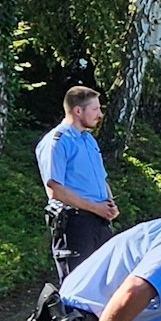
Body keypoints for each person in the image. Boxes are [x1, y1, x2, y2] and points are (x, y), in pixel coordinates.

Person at [36, 86, 120, 279]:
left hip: (99, 221)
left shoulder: (89, 140)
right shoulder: (57, 142)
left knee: (102, 283)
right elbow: (54, 190)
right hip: (74, 222)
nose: (100, 114)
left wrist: (109, 204)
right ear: (78, 110)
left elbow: (101, 178)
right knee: (77, 285)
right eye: (95, 109)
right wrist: (96, 208)